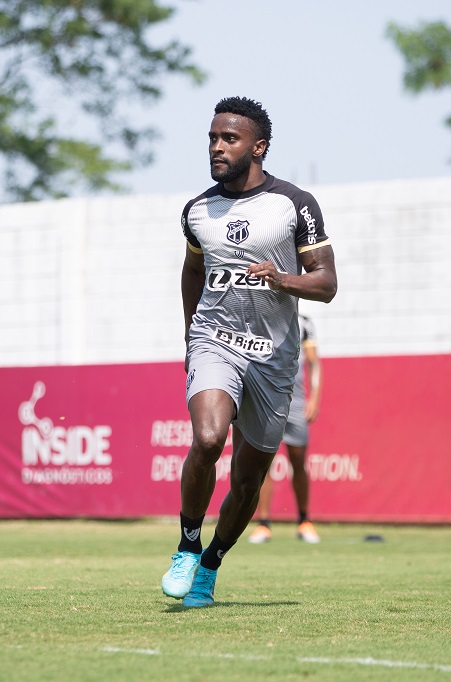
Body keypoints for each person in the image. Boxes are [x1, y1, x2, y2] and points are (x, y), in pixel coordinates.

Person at [161, 96, 337, 608]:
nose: (217, 147)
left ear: (257, 147)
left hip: (274, 358)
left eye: (228, 139)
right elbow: (192, 274)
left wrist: (281, 278)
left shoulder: (294, 204)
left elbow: (326, 283)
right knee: (209, 437)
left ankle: (211, 565)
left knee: (247, 482)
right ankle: (188, 544)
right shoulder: (198, 211)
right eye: (212, 138)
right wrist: (192, 340)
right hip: (216, 342)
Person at [248, 313, 322, 545]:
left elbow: (313, 362)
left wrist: (314, 398)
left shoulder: (304, 321)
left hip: (297, 401)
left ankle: (304, 521)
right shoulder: (260, 315)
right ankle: (264, 524)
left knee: (298, 462)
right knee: (263, 464)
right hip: (266, 400)